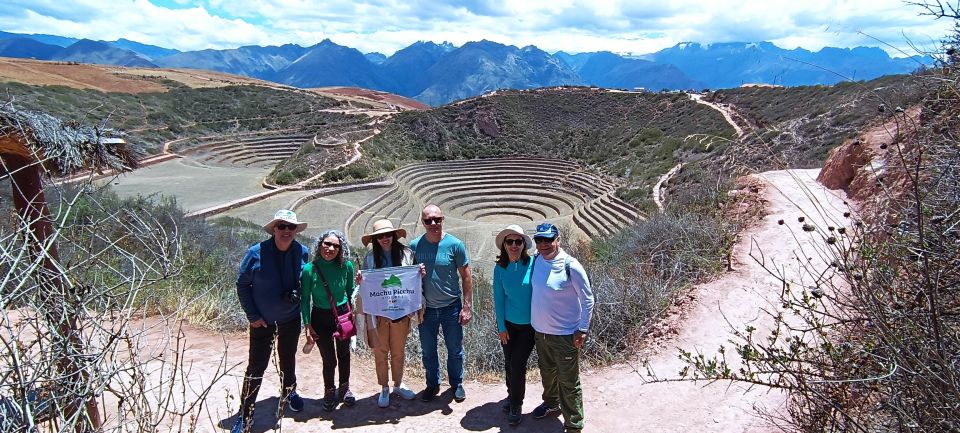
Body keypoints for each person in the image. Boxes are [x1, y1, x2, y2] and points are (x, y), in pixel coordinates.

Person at [233, 209, 310, 433]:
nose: (286, 231)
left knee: (288, 359)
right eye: (282, 226)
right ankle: (245, 413)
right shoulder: (256, 253)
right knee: (256, 366)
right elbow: (242, 285)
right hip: (262, 322)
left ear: (296, 230)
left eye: (291, 227)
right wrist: (253, 316)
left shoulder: (302, 252)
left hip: (290, 319)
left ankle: (289, 392)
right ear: (274, 228)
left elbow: (306, 283)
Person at [529, 222, 594, 433]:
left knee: (568, 381)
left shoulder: (570, 265)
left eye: (549, 240)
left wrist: (582, 329)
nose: (544, 244)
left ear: (558, 240)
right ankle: (551, 403)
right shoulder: (537, 259)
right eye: (539, 240)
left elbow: (588, 300)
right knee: (547, 373)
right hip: (541, 332)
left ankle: (574, 424)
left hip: (566, 335)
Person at [410, 204, 472, 402]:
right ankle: (432, 384)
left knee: (455, 349)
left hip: (451, 307)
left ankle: (457, 383)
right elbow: (407, 277)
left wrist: (467, 306)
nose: (433, 223)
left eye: (437, 219)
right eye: (428, 220)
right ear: (423, 222)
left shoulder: (455, 245)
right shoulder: (414, 246)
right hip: (426, 309)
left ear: (443, 219)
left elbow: (466, 275)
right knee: (428, 350)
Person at [357, 219, 421, 408]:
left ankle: (398, 384)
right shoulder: (369, 258)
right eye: (380, 236)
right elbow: (365, 286)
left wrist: (419, 273)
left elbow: (413, 280)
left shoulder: (408, 254)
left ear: (394, 236)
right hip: (378, 314)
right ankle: (384, 387)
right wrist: (361, 280)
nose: (385, 239)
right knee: (380, 351)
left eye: (388, 235)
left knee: (399, 351)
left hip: (401, 312)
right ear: (375, 239)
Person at [300, 230, 356, 412]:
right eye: (327, 244)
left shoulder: (346, 266)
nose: (330, 248)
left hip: (342, 315)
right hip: (320, 317)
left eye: (335, 246)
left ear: (341, 249)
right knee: (329, 358)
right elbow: (305, 299)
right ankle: (330, 391)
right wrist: (307, 325)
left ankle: (345, 388)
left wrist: (354, 314)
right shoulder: (309, 269)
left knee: (344, 354)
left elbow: (351, 292)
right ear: (319, 244)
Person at [492, 224, 535, 426]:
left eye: (519, 241)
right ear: (504, 245)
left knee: (517, 364)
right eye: (510, 241)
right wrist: (501, 327)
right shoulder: (499, 269)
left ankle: (517, 404)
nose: (514, 245)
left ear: (524, 245)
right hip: (509, 325)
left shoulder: (534, 264)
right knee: (509, 363)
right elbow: (499, 300)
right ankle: (511, 396)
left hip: (530, 326)